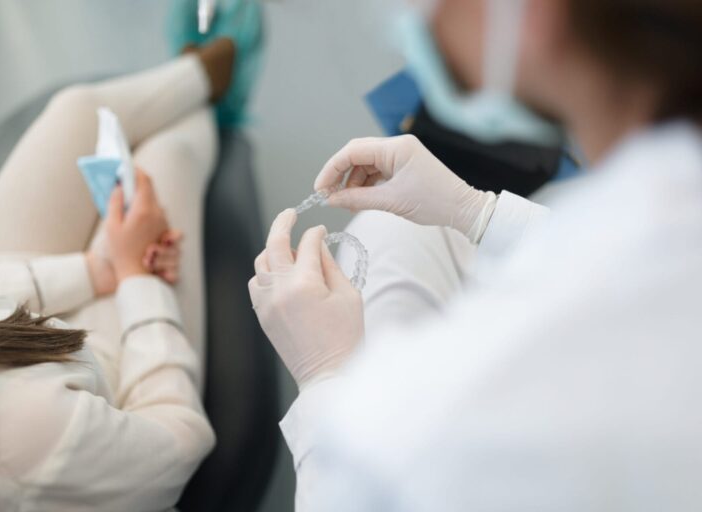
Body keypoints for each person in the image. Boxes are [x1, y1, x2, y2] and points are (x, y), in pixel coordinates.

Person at [249, 0, 702, 509]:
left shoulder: (475, 403)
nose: (411, 25)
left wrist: (326, 378)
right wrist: (475, 212)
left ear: (533, 13)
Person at [0, 0, 263, 505]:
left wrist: (97, 269)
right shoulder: (0, 440)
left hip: (0, 342)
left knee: (79, 109)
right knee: (163, 157)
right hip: (91, 392)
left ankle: (201, 70)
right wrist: (137, 280)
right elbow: (176, 444)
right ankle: (214, 85)